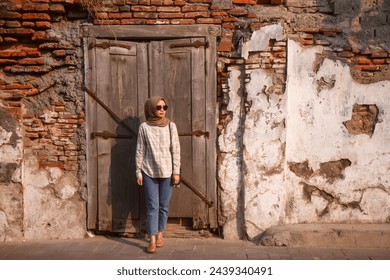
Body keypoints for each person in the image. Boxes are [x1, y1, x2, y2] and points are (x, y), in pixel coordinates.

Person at [135, 96, 181, 253]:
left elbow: (176, 149)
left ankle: (161, 233)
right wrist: (138, 171)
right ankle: (152, 239)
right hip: (149, 171)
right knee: (152, 206)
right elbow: (140, 150)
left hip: (167, 171)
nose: (162, 110)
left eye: (164, 107)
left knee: (164, 206)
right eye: (159, 107)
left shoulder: (171, 126)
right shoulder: (144, 127)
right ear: (151, 109)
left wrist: (176, 172)